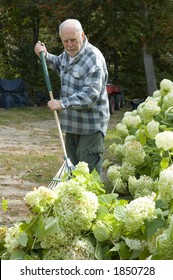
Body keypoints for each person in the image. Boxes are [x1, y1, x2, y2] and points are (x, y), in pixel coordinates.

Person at [34, 18, 110, 176]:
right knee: (73, 173)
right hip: (72, 125)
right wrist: (45, 55)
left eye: (73, 40)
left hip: (90, 127)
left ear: (82, 35)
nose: (69, 44)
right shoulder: (68, 54)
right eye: (65, 41)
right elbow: (58, 63)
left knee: (89, 176)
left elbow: (90, 95)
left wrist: (62, 103)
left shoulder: (93, 59)